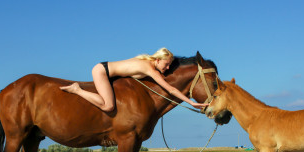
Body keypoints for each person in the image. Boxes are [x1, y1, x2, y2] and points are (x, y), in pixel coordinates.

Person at [60, 48, 208, 112]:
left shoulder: (146, 62)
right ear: (157, 60)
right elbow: (170, 89)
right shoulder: (149, 69)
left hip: (104, 68)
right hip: (101, 71)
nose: (168, 67)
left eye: (169, 64)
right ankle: (76, 89)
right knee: (108, 106)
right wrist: (191, 102)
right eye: (166, 64)